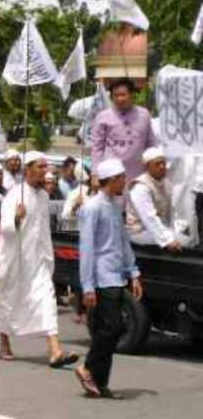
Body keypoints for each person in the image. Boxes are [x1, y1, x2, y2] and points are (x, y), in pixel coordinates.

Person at [0, 151, 78, 366]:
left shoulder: (43, 196)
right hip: (15, 260)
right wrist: (16, 218)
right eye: (40, 167)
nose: (45, 171)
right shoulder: (14, 195)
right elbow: (4, 229)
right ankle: (4, 343)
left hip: (38, 260)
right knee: (9, 300)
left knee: (46, 299)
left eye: (45, 167)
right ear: (27, 169)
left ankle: (55, 350)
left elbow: (43, 231)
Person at [74, 158, 143, 399]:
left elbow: (122, 242)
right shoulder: (92, 207)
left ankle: (99, 381)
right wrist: (88, 287)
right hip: (101, 277)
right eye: (121, 178)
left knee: (113, 329)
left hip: (116, 275)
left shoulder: (115, 205)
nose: (124, 182)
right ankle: (88, 368)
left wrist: (133, 272)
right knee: (110, 328)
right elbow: (87, 248)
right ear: (112, 180)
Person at [91, 78, 156, 181]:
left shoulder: (144, 115)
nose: (119, 99)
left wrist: (153, 166)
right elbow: (96, 148)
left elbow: (151, 143)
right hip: (112, 177)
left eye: (123, 95)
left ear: (132, 94)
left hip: (138, 176)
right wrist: (95, 174)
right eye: (116, 95)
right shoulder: (103, 117)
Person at [126, 147, 187, 250]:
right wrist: (167, 240)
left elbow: (172, 210)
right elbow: (149, 217)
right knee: (182, 240)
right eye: (157, 164)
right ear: (147, 166)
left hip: (158, 228)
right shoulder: (141, 187)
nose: (162, 166)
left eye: (163, 163)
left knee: (187, 234)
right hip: (139, 231)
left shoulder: (166, 182)